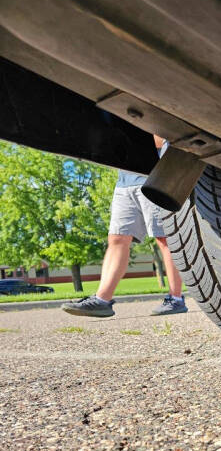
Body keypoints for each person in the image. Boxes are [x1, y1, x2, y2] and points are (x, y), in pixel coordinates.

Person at [62, 135, 187, 318]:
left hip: (155, 177)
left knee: (164, 238)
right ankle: (102, 300)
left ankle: (176, 299)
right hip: (124, 183)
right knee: (117, 238)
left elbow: (163, 138)